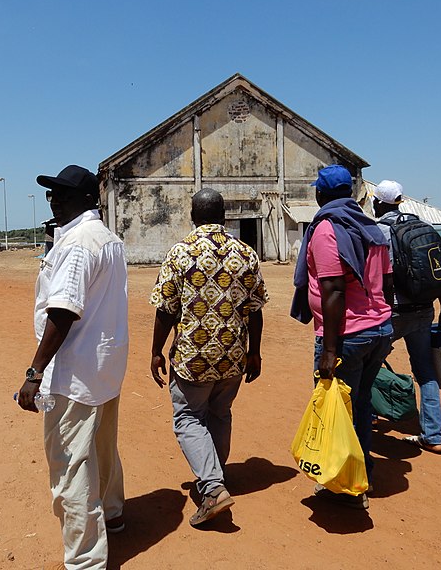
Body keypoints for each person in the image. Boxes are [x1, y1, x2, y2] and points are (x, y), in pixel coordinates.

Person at [17, 164, 128, 570]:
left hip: (76, 370)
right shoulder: (107, 239)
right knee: (102, 445)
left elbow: (63, 311)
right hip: (104, 364)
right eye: (51, 194)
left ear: (87, 199)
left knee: (70, 465)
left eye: (61, 194)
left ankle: (84, 560)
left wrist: (34, 373)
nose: (54, 200)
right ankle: (112, 512)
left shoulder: (78, 243)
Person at [149, 188, 268, 527]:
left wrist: (156, 351)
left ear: (192, 215)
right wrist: (254, 353)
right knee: (220, 412)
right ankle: (216, 474)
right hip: (233, 355)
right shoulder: (245, 253)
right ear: (224, 217)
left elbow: (166, 310)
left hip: (192, 357)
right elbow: (255, 310)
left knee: (188, 417)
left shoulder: (180, 253)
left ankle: (213, 488)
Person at [291, 165, 393, 510]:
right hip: (378, 331)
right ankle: (362, 468)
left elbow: (333, 288)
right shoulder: (372, 229)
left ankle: (346, 487)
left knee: (338, 410)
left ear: (320, 195)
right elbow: (389, 284)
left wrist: (329, 350)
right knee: (360, 403)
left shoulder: (326, 229)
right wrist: (381, 319)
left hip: (347, 336)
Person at [373, 179, 441, 455]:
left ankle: (367, 415)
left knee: (368, 364)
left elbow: (376, 277)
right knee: (426, 372)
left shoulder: (379, 231)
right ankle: (433, 435)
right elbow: (438, 271)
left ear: (379, 202)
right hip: (425, 309)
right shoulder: (423, 226)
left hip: (392, 312)